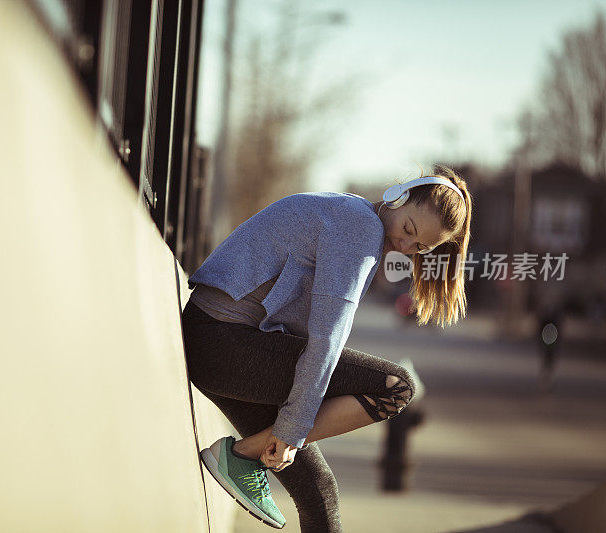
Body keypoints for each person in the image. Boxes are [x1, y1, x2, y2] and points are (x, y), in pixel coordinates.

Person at [182, 165, 473, 531]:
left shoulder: (352, 214)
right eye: (408, 230)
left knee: (319, 490)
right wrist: (291, 428)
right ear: (396, 196)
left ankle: (244, 456)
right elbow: (327, 338)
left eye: (420, 247)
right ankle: (242, 454)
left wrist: (293, 427)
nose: (404, 246)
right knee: (396, 387)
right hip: (225, 343)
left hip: (224, 345)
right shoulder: (360, 227)